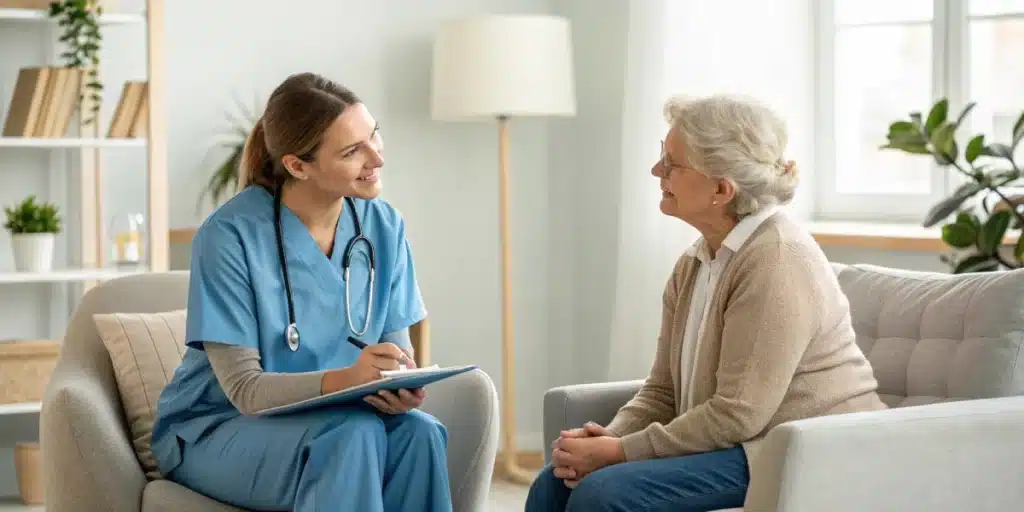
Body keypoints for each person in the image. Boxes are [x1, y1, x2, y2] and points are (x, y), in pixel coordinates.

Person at [525, 94, 888, 512]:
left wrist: (620, 451)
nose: (656, 171)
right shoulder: (696, 262)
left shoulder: (778, 260)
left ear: (721, 189)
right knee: (554, 484)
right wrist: (607, 438)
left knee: (603, 494)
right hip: (738, 445)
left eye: (672, 164)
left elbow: (737, 416)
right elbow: (662, 391)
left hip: (798, 451)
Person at [150, 72, 452, 512]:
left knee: (421, 434)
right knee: (352, 435)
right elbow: (246, 391)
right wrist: (349, 379)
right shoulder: (228, 236)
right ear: (297, 165)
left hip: (335, 417)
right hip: (217, 427)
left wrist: (400, 386)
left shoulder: (384, 227)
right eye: (352, 151)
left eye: (374, 136)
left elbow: (396, 355)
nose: (376, 159)